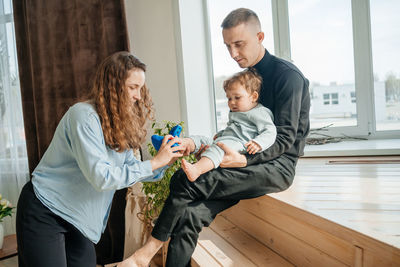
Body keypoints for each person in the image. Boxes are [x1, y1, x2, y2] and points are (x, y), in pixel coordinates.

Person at [119, 7, 310, 267]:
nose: (233, 54)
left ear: (260, 37)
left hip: (276, 166)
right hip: (243, 158)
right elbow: (239, 133)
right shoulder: (245, 81)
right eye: (227, 46)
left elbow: (285, 139)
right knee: (189, 215)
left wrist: (242, 160)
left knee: (184, 179)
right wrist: (208, 147)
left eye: (239, 44)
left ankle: (146, 253)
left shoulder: (288, 77)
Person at [16, 51, 185, 267]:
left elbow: (130, 170)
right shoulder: (83, 116)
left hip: (79, 219)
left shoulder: (119, 125)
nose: (138, 96)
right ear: (113, 86)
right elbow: (102, 177)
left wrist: (166, 160)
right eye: (133, 87)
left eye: (140, 88)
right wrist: (155, 162)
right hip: (45, 209)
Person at [181, 69, 276, 182]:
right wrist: (221, 134)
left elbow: (270, 131)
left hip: (239, 143)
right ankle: (184, 144)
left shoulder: (259, 112)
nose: (232, 102)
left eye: (237, 97)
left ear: (253, 97)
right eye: (229, 98)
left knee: (217, 149)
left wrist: (258, 143)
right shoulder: (236, 112)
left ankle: (197, 169)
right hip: (227, 139)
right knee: (203, 140)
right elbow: (232, 128)